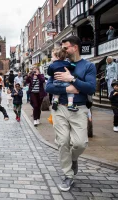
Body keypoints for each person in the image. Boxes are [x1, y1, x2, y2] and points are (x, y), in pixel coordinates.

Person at [46, 36, 96, 192]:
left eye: (66, 47)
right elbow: (49, 87)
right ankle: (68, 175)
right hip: (59, 108)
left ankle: (73, 159)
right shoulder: (57, 65)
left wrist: (71, 79)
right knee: (63, 142)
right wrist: (66, 89)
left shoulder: (88, 66)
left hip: (79, 108)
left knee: (80, 143)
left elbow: (91, 88)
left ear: (75, 47)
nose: (63, 50)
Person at [48, 47, 78, 112]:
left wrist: (53, 73)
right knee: (70, 92)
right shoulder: (66, 63)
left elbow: (49, 73)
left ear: (58, 57)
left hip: (56, 81)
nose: (51, 58)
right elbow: (73, 66)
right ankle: (70, 104)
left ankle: (55, 101)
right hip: (65, 81)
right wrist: (73, 63)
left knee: (57, 91)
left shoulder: (52, 65)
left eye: (52, 57)